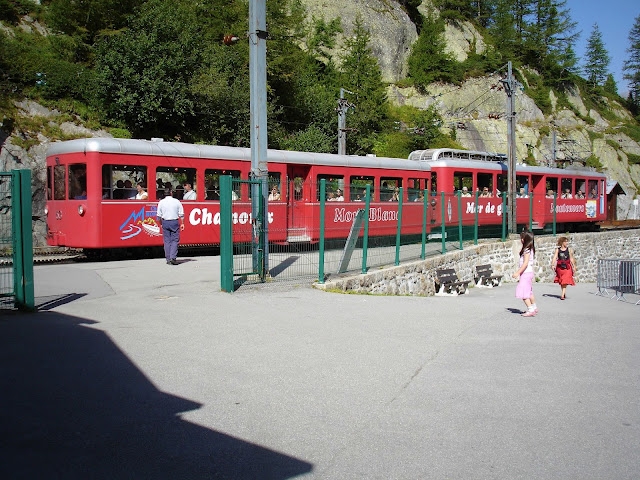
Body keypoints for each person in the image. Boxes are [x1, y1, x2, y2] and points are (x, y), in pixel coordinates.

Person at [512, 230, 538, 317]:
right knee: (529, 292)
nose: (521, 240)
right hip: (529, 273)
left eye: (522, 238)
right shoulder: (530, 249)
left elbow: (525, 263)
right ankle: (534, 307)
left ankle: (530, 309)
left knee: (523, 292)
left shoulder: (526, 250)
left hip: (526, 273)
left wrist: (517, 272)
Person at [156, 187, 184, 265]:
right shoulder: (176, 201)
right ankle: (173, 258)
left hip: (165, 222)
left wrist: (161, 224)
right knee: (175, 240)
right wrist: (182, 223)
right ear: (171, 193)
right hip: (174, 222)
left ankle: (168, 258)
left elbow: (158, 216)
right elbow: (181, 214)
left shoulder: (161, 202)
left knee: (167, 241)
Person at [551, 236, 576, 300]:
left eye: (567, 241)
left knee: (565, 280)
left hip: (567, 267)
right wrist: (552, 264)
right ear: (562, 242)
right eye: (565, 241)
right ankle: (563, 292)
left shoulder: (569, 249)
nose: (567, 243)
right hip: (560, 267)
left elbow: (571, 258)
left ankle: (562, 295)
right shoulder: (558, 250)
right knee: (562, 281)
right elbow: (555, 257)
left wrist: (574, 266)